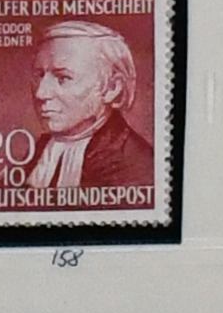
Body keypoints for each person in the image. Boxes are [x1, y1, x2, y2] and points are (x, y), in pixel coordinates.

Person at [25, 21, 151, 190]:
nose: (41, 93)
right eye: (40, 75)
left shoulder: (134, 163)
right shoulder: (38, 151)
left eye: (63, 78)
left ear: (111, 88)